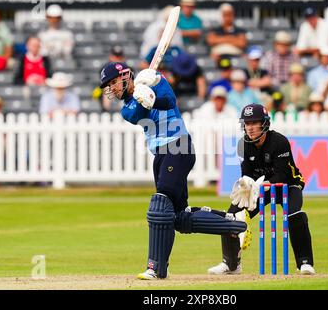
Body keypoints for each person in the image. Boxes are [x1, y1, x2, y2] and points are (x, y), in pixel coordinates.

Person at [99, 62, 252, 280]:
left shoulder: (154, 79)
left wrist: (152, 90)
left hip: (178, 146)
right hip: (161, 155)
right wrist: (143, 97)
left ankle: (156, 267)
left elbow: (170, 101)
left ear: (125, 76)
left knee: (160, 205)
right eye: (109, 85)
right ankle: (235, 223)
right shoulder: (127, 109)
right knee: (178, 217)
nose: (112, 88)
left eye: (114, 82)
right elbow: (139, 113)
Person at [208, 104, 315, 276]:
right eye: (246, 123)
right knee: (231, 215)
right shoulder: (243, 144)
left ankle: (305, 263)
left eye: (254, 123)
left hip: (288, 185)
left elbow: (282, 175)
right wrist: (246, 185)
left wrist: (260, 185)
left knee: (294, 215)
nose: (249, 127)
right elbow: (246, 174)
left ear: (264, 124)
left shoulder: (279, 141)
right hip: (261, 189)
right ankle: (231, 264)